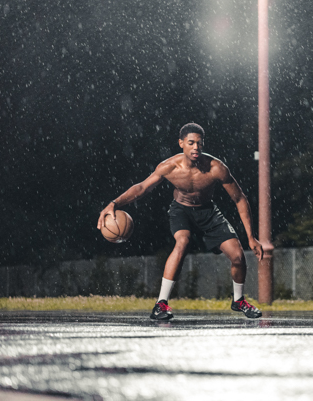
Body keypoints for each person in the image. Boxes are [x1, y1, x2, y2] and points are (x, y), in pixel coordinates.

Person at [97, 122, 264, 320]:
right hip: (181, 210)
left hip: (208, 212)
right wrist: (114, 204)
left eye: (199, 143)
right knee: (183, 241)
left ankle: (238, 301)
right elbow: (142, 188)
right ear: (181, 143)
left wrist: (251, 237)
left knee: (238, 256)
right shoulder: (169, 167)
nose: (196, 147)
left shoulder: (216, 168)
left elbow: (239, 198)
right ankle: (161, 304)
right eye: (191, 143)